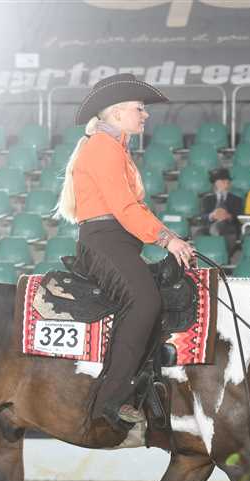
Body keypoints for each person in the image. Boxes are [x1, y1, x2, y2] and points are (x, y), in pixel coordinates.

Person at [56, 73, 196, 433]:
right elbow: (125, 208)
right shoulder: (104, 148)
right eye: (139, 108)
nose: (145, 115)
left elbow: (134, 209)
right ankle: (110, 399)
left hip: (117, 240)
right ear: (117, 113)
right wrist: (166, 240)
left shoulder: (114, 147)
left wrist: (170, 237)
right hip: (106, 241)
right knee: (145, 302)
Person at [199, 167, 243, 255]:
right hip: (210, 227)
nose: (225, 184)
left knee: (223, 231)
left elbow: (240, 217)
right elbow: (203, 216)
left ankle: (222, 255)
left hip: (228, 228)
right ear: (216, 183)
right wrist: (212, 215)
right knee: (199, 233)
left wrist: (229, 216)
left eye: (227, 182)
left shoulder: (236, 200)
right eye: (222, 181)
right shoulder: (207, 199)